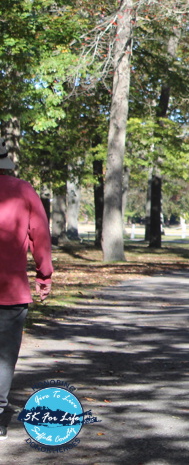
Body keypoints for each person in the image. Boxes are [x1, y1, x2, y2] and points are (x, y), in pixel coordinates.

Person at [0, 141, 53, 440]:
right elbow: (40, 236)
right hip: (10, 291)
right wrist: (44, 275)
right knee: (4, 356)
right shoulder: (22, 190)